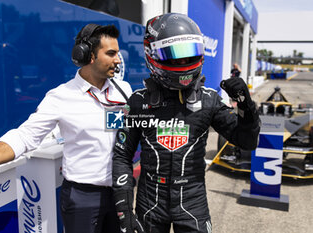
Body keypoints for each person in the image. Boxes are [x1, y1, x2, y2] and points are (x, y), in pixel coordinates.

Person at [0, 23, 132, 233]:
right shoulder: (60, 97)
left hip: (119, 192)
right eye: (111, 53)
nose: (118, 59)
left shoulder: (123, 89)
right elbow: (25, 136)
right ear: (88, 55)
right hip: (82, 198)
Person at [111, 13, 260, 233]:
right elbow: (122, 156)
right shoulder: (138, 102)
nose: (183, 62)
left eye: (189, 54)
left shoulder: (209, 100)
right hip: (150, 200)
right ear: (151, 54)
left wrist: (246, 108)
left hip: (192, 200)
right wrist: (124, 209)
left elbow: (247, 141)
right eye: (174, 55)